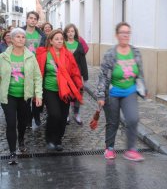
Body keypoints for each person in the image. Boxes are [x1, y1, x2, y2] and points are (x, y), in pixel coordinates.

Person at [96, 22, 147, 161]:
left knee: (133, 118)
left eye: (128, 32)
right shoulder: (110, 54)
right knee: (113, 122)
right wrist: (100, 95)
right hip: (113, 92)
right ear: (117, 35)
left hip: (130, 91)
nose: (125, 35)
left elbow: (140, 73)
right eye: (122, 32)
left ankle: (131, 150)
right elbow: (102, 76)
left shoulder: (135, 52)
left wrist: (143, 87)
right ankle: (110, 148)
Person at [0, 28, 43, 164]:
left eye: (23, 37)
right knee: (11, 123)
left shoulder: (30, 56)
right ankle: (13, 152)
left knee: (22, 122)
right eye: (17, 37)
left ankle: (21, 140)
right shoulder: (3, 57)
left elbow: (37, 77)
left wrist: (38, 95)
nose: (20, 39)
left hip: (25, 96)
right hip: (8, 95)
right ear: (11, 40)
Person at [36, 29, 83, 151]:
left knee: (63, 117)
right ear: (50, 41)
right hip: (49, 89)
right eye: (56, 39)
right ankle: (50, 139)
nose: (59, 41)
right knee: (54, 114)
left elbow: (75, 72)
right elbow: (38, 72)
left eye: (61, 39)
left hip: (65, 90)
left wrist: (78, 86)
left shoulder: (68, 55)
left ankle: (58, 140)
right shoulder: (43, 54)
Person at [22, 11, 46, 127]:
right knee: (26, 94)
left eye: (35, 19)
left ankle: (36, 115)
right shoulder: (20, 33)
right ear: (26, 19)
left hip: (38, 67)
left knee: (37, 93)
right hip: (24, 66)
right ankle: (26, 118)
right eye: (30, 18)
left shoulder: (41, 35)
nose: (32, 20)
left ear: (37, 21)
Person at [63, 23, 88, 125]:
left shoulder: (79, 44)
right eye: (68, 31)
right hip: (65, 74)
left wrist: (85, 77)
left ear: (75, 32)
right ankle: (67, 114)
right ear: (66, 33)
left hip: (77, 75)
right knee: (66, 94)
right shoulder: (63, 44)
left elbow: (83, 62)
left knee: (77, 94)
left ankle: (77, 113)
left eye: (72, 31)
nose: (70, 33)